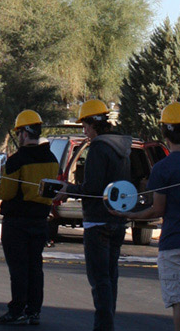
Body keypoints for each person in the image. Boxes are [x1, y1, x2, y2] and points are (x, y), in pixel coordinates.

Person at [110, 102, 180, 331]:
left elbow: (157, 210)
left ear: (165, 131)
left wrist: (126, 214)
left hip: (175, 243)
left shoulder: (163, 168)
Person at [55, 99, 132, 331]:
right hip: (117, 220)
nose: (84, 130)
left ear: (92, 124)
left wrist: (68, 189)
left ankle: (103, 326)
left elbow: (92, 188)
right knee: (110, 277)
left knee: (99, 280)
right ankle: (107, 323)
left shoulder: (98, 147)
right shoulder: (122, 148)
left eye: (84, 126)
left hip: (98, 222)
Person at [0, 110, 59, 325]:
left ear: (24, 133)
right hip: (40, 219)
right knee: (35, 267)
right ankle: (33, 310)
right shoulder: (51, 158)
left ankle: (17, 309)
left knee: (19, 268)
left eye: (19, 132)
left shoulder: (17, 160)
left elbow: (7, 193)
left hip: (17, 222)